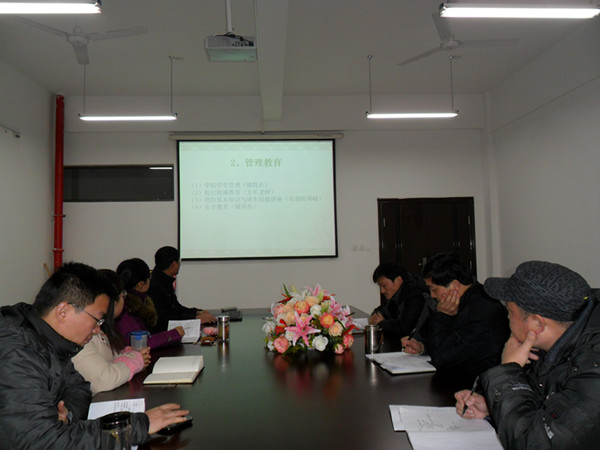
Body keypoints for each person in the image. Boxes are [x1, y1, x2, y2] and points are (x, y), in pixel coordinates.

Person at [0, 262, 189, 448]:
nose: (98, 330)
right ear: (63, 312)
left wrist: (68, 415)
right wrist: (135, 427)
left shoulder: (54, 340)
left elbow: (81, 387)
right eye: (97, 320)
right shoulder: (17, 354)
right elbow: (41, 441)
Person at [455, 261, 600, 448]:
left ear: (537, 324)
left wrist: (507, 372)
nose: (507, 316)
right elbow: (547, 410)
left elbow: (533, 443)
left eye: (509, 311)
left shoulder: (593, 371)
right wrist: (494, 406)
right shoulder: (557, 342)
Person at [402, 252, 509, 380]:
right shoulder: (464, 300)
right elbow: (449, 341)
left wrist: (441, 316)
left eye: (434, 289)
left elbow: (442, 358)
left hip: (478, 383)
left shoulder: (481, 312)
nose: (432, 295)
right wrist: (422, 346)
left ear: (455, 286)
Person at [72, 269, 151, 395]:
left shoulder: (99, 328)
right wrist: (135, 359)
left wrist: (127, 354)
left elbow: (107, 360)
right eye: (122, 295)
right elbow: (103, 380)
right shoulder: (80, 335)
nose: (97, 329)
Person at [116, 257, 184, 349]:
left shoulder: (138, 301)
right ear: (141, 284)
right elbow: (142, 342)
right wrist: (173, 334)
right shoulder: (126, 309)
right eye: (149, 278)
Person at [147, 246, 215, 333]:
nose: (179, 264)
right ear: (173, 264)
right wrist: (196, 318)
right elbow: (164, 319)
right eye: (179, 261)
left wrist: (197, 312)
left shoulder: (163, 280)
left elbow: (177, 308)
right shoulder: (155, 287)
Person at [368, 262, 426, 338]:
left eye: (384, 286)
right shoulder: (395, 294)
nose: (382, 291)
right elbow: (382, 310)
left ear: (398, 280)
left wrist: (381, 323)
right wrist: (376, 315)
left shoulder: (415, 296)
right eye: (380, 286)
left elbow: (404, 328)